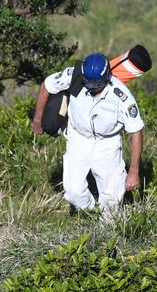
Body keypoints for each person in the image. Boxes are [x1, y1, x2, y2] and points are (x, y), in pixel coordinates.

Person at [31, 53, 144, 216]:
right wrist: (37, 119)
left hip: (107, 144)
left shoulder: (121, 96)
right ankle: (92, 212)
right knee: (73, 192)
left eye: (95, 85)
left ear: (107, 77)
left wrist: (134, 172)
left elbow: (136, 132)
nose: (90, 88)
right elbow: (47, 85)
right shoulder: (74, 75)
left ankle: (109, 226)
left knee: (112, 198)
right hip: (78, 138)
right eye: (87, 83)